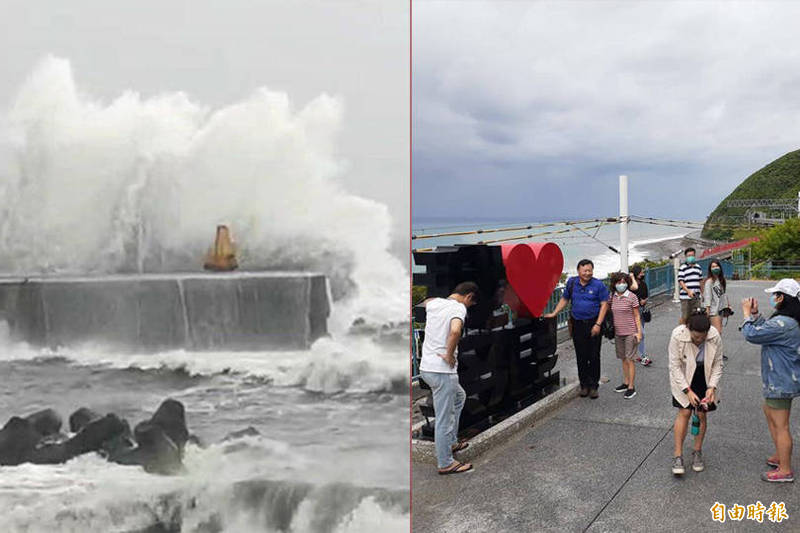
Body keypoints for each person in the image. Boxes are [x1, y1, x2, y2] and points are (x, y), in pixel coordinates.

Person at [740, 278, 800, 483]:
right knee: (769, 411)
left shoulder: (785, 323)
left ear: (783, 297)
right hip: (780, 379)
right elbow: (767, 328)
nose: (773, 298)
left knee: (781, 424)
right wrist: (756, 315)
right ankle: (779, 456)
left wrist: (747, 314)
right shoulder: (787, 321)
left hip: (781, 381)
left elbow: (752, 334)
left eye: (776, 295)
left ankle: (785, 470)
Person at [419, 281, 479, 475]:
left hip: (427, 369)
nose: (468, 307)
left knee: (459, 397)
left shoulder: (435, 303)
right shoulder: (458, 308)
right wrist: (449, 354)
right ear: (468, 297)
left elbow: (425, 302)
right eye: (471, 303)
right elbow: (455, 330)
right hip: (442, 371)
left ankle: (451, 442)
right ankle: (445, 463)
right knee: (445, 417)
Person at [544, 259, 610, 399]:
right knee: (581, 356)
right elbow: (564, 299)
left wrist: (598, 324)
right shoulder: (572, 283)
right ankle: (584, 385)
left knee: (594, 356)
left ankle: (593, 386)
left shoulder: (598, 285)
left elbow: (604, 305)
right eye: (585, 270)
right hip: (577, 324)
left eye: (590, 270)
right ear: (578, 270)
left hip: (593, 323)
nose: (587, 273)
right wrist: (554, 313)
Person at [669, 312, 723, 476]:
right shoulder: (678, 335)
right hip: (684, 374)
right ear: (688, 328)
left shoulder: (714, 336)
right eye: (696, 337)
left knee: (701, 413)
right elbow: (674, 366)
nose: (699, 340)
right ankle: (677, 455)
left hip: (704, 375)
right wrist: (687, 390)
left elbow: (718, 364)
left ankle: (697, 452)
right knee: (684, 412)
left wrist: (712, 387)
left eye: (702, 337)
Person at [609, 272, 642, 399]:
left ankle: (631, 387)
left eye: (623, 282)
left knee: (630, 359)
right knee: (623, 358)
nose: (621, 285)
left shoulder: (632, 297)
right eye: (618, 282)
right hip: (618, 333)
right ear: (614, 284)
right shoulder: (612, 296)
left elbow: (636, 315)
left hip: (630, 332)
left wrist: (639, 333)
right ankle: (625, 382)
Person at [631, 265, 651, 366]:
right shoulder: (631, 285)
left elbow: (646, 295)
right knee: (641, 333)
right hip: (634, 312)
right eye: (641, 273)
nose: (642, 274)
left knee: (639, 334)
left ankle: (637, 354)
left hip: (642, 311)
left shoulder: (643, 284)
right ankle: (643, 355)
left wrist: (644, 300)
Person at [678, 248, 703, 325]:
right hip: (685, 297)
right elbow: (681, 281)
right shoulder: (682, 267)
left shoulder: (698, 267)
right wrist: (688, 291)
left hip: (696, 296)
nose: (691, 257)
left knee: (696, 315)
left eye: (692, 255)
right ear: (685, 257)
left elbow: (701, 281)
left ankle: (693, 332)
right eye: (689, 255)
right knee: (685, 316)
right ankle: (681, 331)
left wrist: (703, 293)